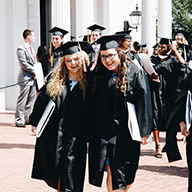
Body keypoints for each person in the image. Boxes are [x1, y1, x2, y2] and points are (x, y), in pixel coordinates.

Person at [88, 35, 152, 192]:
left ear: (119, 54)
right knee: (111, 170)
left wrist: (145, 131)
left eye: (111, 55)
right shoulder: (99, 76)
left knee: (127, 174)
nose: (107, 60)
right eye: (103, 56)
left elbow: (144, 101)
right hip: (104, 133)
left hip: (126, 134)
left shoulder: (135, 73)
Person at [30, 41, 90, 192]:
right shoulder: (55, 80)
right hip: (56, 132)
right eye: (68, 61)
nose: (72, 63)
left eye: (75, 59)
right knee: (56, 169)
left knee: (73, 171)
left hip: (77, 135)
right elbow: (41, 100)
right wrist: (34, 121)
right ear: (64, 62)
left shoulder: (89, 82)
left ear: (82, 59)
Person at [150, 37, 187, 157]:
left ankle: (168, 143)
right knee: (155, 117)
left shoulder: (173, 60)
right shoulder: (152, 60)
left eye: (163, 47)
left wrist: (175, 51)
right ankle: (157, 145)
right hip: (155, 92)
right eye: (159, 46)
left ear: (168, 48)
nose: (160, 49)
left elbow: (183, 66)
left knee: (170, 119)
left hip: (169, 94)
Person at [14, 29, 37, 127]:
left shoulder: (31, 49)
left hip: (33, 78)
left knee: (31, 100)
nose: (34, 38)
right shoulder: (21, 49)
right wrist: (35, 71)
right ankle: (18, 119)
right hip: (25, 78)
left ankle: (28, 118)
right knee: (22, 99)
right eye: (33, 36)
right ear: (28, 36)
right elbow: (24, 64)